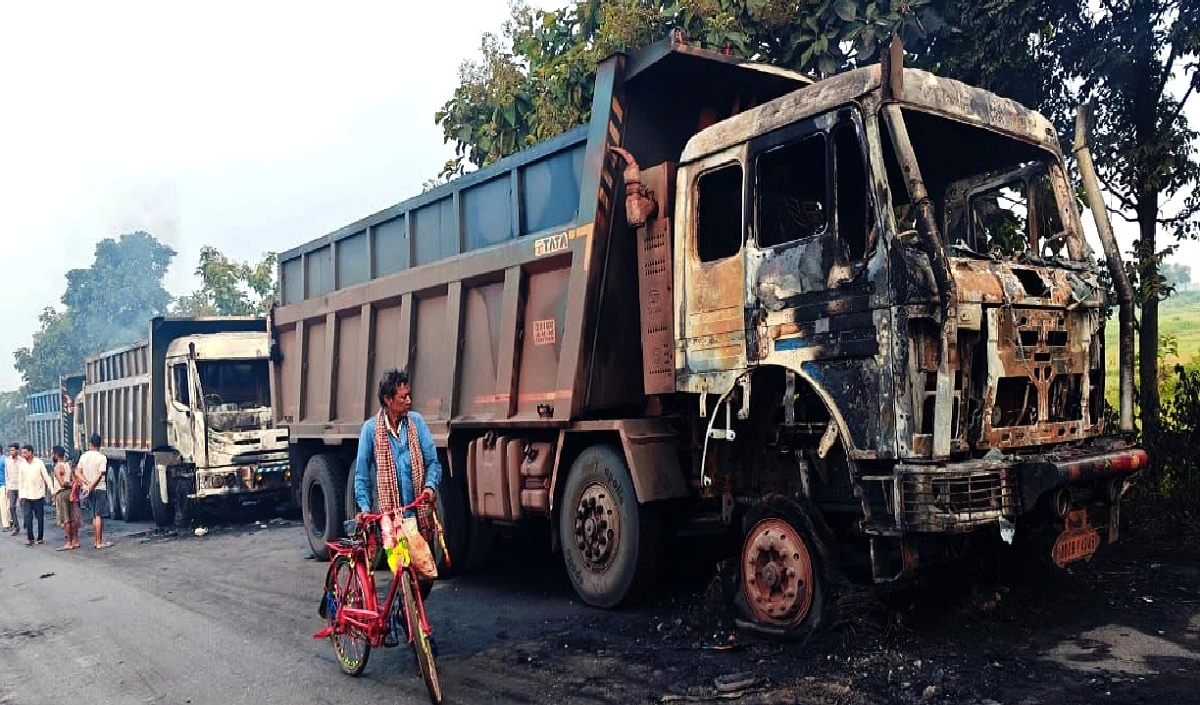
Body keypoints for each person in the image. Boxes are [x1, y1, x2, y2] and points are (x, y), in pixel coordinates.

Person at [353, 369, 442, 646]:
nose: (409, 401)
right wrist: (365, 508)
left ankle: (406, 612)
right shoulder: (370, 430)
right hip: (390, 520)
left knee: (426, 573)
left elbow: (433, 462)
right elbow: (362, 475)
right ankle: (414, 628)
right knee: (402, 571)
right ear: (388, 399)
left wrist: (429, 487)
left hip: (417, 514)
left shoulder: (416, 423)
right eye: (403, 396)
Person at [76, 434, 113, 549]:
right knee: (98, 515)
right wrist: (92, 484)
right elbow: (101, 474)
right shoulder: (102, 458)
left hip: (88, 489)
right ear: (99, 444)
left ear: (90, 444)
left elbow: (77, 472)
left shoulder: (83, 457)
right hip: (99, 488)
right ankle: (99, 542)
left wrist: (87, 483)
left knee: (93, 515)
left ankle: (96, 541)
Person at [17, 444, 54, 546]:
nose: (23, 455)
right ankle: (30, 538)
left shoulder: (39, 463)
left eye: (25, 453)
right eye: (22, 453)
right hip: (27, 496)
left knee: (40, 518)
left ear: (31, 452)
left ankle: (40, 538)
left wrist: (52, 490)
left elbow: (46, 477)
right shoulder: (22, 465)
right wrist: (21, 496)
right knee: (28, 518)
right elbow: (21, 481)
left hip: (38, 495)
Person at [51, 446, 81, 551]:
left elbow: (62, 483)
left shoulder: (57, 467)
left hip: (62, 493)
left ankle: (68, 542)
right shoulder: (68, 465)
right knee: (73, 518)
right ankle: (75, 540)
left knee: (66, 519)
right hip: (70, 493)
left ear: (56, 455)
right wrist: (73, 486)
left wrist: (68, 484)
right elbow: (75, 480)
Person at [6, 443, 22, 536]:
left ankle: (27, 523)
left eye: (13, 450)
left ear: (17, 450)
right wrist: (8, 488)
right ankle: (16, 526)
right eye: (10, 450)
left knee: (24, 507)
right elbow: (7, 474)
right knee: (12, 507)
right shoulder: (8, 461)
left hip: (20, 487)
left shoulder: (22, 461)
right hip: (12, 487)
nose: (11, 452)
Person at [0, 446, 9, 531]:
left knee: (3, 505)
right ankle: (9, 520)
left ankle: (6, 524)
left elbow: (8, 473)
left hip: (3, 485)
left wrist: (7, 485)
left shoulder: (4, 459)